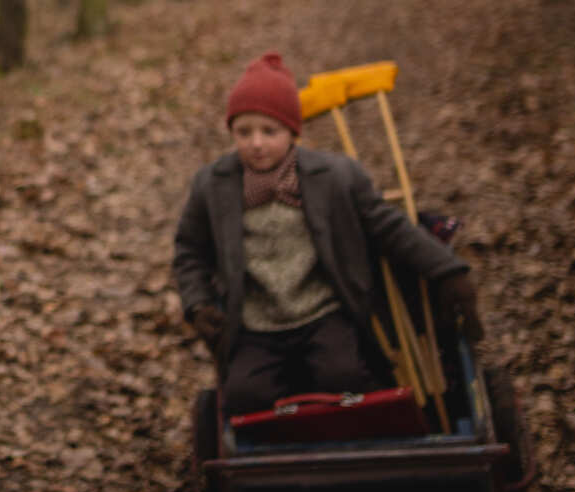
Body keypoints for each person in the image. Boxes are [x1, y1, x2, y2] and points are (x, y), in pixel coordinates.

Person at [172, 50, 482, 418]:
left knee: (346, 380)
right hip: (256, 324)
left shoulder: (334, 176)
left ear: (293, 132)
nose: (256, 143)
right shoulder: (213, 184)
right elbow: (189, 250)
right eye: (244, 132)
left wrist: (447, 270)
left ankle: (357, 429)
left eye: (269, 131)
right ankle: (285, 432)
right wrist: (198, 303)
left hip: (323, 313)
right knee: (245, 397)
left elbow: (389, 227)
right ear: (231, 133)